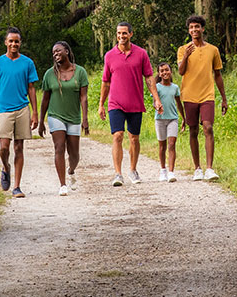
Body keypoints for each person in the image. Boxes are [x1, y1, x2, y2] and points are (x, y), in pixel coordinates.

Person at [0, 27, 40, 198]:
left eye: (16, 41)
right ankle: (5, 167)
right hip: (4, 110)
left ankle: (17, 186)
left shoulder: (27, 63)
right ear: (6, 43)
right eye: (11, 41)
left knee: (19, 147)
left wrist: (35, 113)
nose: (14, 44)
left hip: (22, 108)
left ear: (20, 43)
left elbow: (31, 89)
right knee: (4, 148)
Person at [97, 22, 152, 187]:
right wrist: (101, 104)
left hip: (135, 103)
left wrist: (156, 98)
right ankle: (118, 174)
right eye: (119, 33)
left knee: (134, 138)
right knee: (117, 136)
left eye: (124, 33)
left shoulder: (141, 53)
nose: (121, 36)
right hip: (116, 103)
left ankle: (133, 170)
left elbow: (149, 77)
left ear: (131, 34)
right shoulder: (109, 55)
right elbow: (105, 82)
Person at [177, 14, 227, 181]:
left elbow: (218, 75)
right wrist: (185, 56)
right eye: (191, 27)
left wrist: (224, 98)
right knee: (193, 131)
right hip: (189, 95)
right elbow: (181, 71)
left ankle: (209, 169)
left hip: (207, 94)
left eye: (197, 27)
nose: (194, 30)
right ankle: (197, 168)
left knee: (208, 128)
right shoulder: (183, 49)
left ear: (202, 29)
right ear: (189, 30)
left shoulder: (213, 50)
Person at [36, 41, 89, 196]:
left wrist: (85, 119)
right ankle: (62, 184)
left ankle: (71, 170)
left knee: (75, 155)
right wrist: (41, 121)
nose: (55, 54)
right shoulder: (49, 74)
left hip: (74, 117)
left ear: (66, 51)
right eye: (53, 52)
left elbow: (83, 97)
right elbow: (45, 99)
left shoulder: (80, 72)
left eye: (58, 51)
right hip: (55, 116)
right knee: (59, 147)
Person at [149, 63, 181, 182]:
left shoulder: (175, 88)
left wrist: (183, 118)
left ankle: (171, 172)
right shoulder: (156, 87)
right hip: (160, 119)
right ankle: (163, 170)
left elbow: (179, 104)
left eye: (166, 70)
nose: (164, 72)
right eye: (162, 71)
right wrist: (157, 107)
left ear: (171, 71)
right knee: (162, 146)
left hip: (173, 118)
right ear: (159, 73)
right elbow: (154, 102)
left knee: (172, 144)